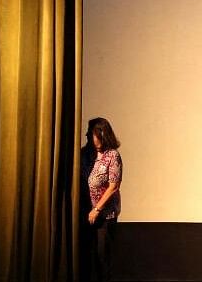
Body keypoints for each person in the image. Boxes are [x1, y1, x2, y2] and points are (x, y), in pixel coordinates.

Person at [82, 117, 122, 282]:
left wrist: (97, 209)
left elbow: (114, 186)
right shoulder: (86, 155)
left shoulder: (112, 155)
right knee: (88, 258)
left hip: (105, 215)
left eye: (99, 135)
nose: (96, 139)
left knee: (102, 258)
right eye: (93, 135)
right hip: (86, 212)